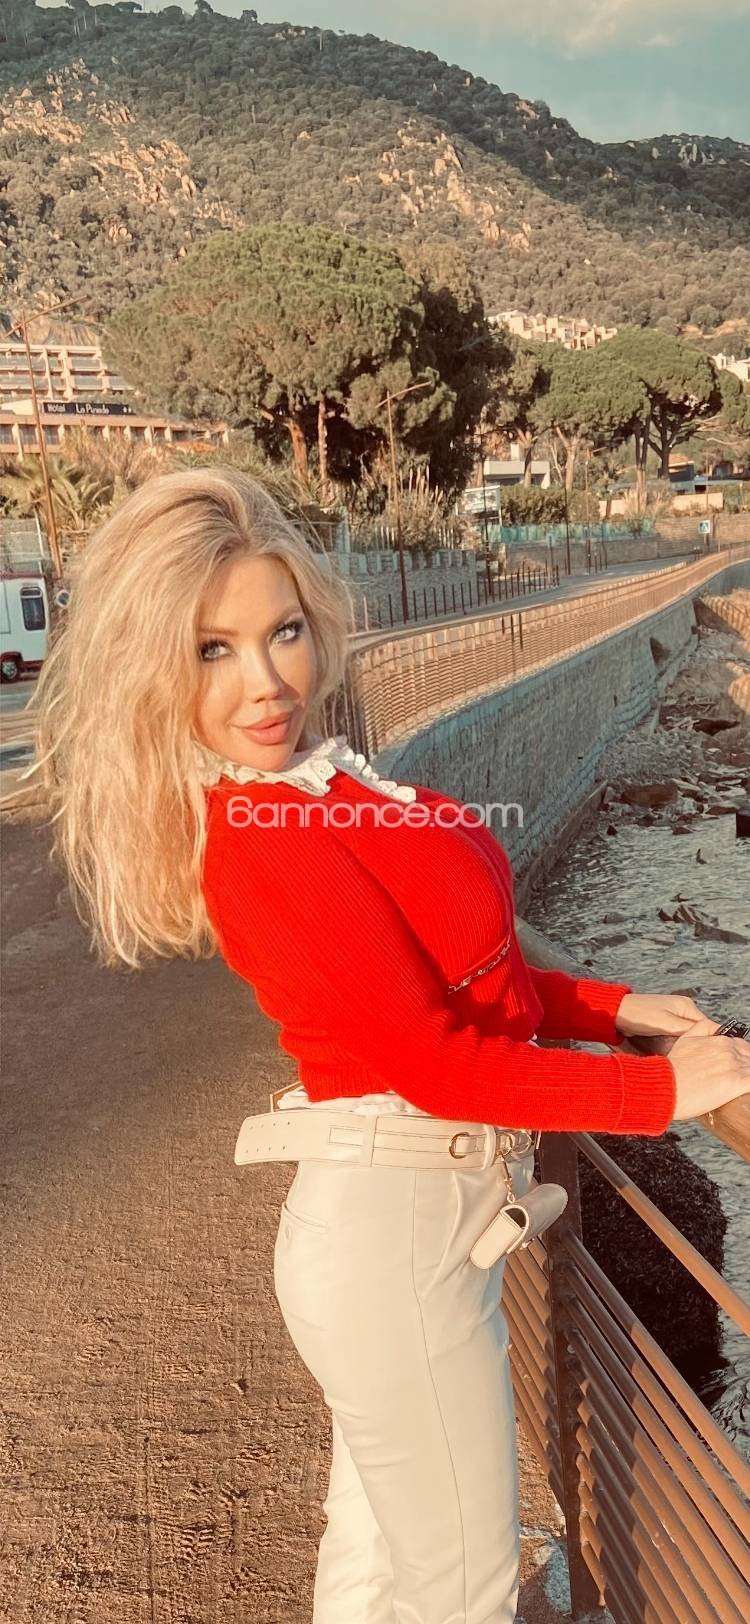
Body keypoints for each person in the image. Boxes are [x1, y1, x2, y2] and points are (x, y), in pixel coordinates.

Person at [32, 468, 750, 1624]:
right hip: (395, 1241)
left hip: (416, 1226)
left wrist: (620, 1007)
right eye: (214, 650)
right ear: (153, 669)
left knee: (377, 1562)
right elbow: (439, 1063)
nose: (268, 680)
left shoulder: (314, 785)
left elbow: (478, 977)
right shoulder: (265, 833)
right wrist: (662, 1092)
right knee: (459, 1587)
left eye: (283, 632)